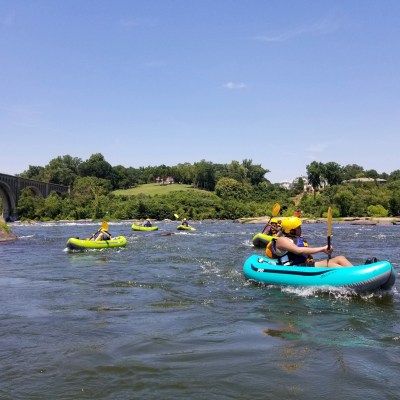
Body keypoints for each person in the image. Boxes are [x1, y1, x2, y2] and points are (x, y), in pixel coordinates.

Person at [268, 216, 353, 267]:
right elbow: (299, 251)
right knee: (331, 265)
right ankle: (353, 277)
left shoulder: (296, 239)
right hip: (295, 268)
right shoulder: (282, 240)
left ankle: (358, 273)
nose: (301, 229)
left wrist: (326, 251)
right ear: (291, 230)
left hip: (306, 265)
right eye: (298, 228)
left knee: (340, 258)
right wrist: (322, 249)